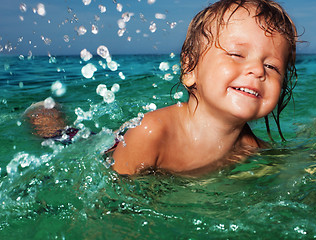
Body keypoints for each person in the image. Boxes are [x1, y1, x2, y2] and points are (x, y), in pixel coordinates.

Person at [111, 0, 298, 175]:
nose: (258, 70)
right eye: (236, 54)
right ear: (190, 68)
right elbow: (111, 202)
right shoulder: (149, 134)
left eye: (271, 66)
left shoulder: (253, 150)